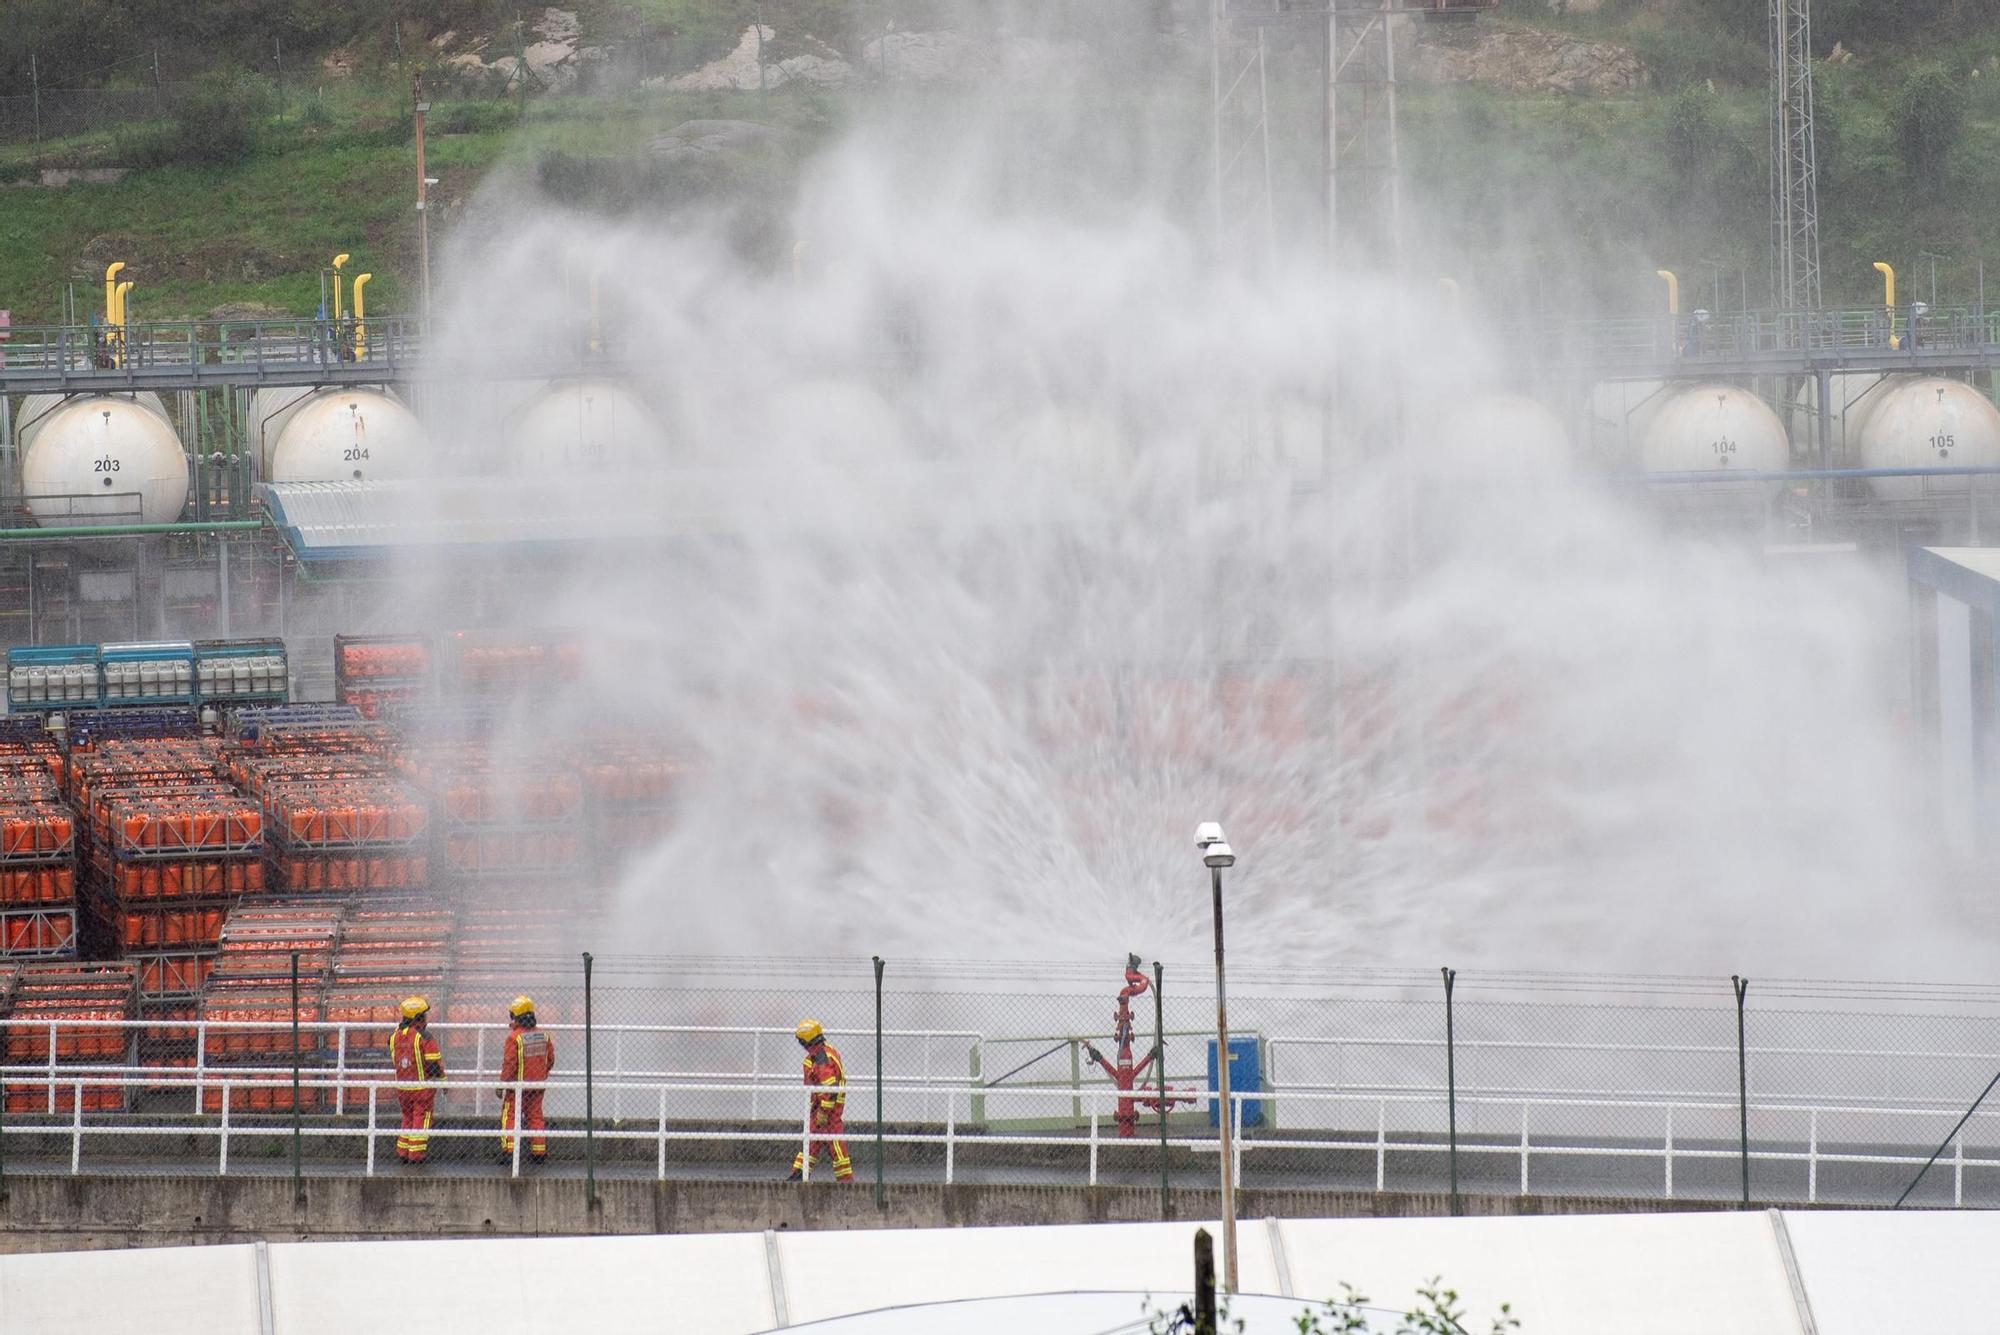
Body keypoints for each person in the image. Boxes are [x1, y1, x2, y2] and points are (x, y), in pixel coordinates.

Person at [787, 1019, 853, 1182]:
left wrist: (823, 1111)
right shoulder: (826, 1051)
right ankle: (798, 1175)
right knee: (811, 1142)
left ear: (806, 1040)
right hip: (824, 1108)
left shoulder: (820, 1058)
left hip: (827, 1111)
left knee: (834, 1145)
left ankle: (846, 1182)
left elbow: (829, 1087)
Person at [497, 994, 555, 1164]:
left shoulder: (514, 1038)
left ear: (516, 1016)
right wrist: (541, 1074)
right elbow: (550, 1060)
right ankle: (539, 1153)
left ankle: (509, 1152)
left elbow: (509, 1064)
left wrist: (502, 1084)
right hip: (537, 1086)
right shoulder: (544, 1036)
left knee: (510, 1117)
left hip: (517, 1087)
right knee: (535, 1117)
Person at [388, 995, 446, 1164]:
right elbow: (434, 1065)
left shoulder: (394, 1037)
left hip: (402, 1089)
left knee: (407, 1118)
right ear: (418, 1017)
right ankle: (416, 1155)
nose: (426, 1019)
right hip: (422, 1089)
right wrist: (443, 1081)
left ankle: (403, 1152)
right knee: (421, 1120)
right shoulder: (424, 1037)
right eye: (424, 1015)